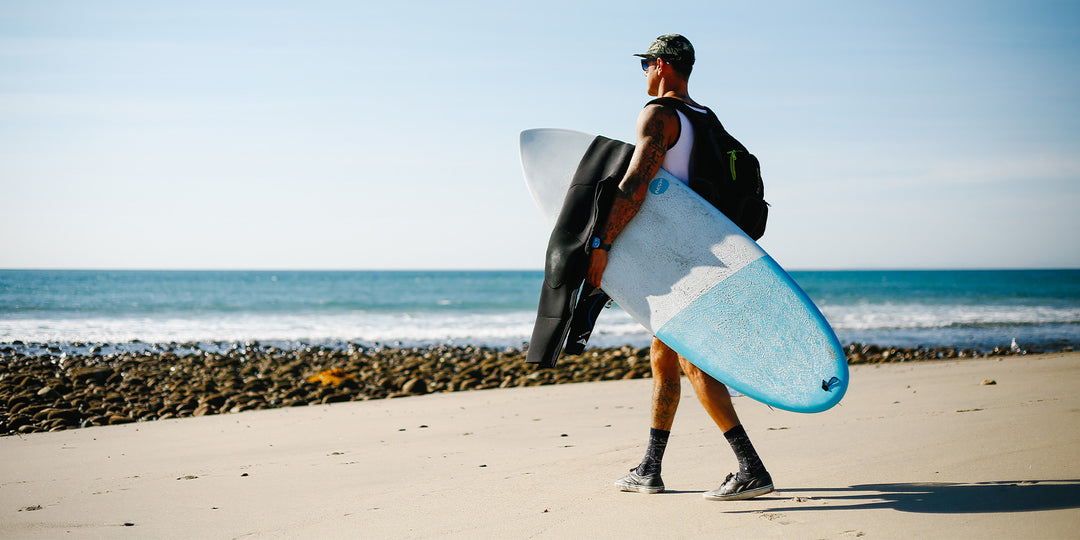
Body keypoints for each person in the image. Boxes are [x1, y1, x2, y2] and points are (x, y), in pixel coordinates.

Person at [585, 34, 774, 501]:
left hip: (684, 264)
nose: (645, 73)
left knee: (692, 358)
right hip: (713, 254)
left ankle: (751, 467)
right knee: (663, 358)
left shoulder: (659, 115)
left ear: (663, 65)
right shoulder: (707, 119)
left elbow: (636, 186)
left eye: (646, 63)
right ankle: (650, 467)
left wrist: (602, 243)